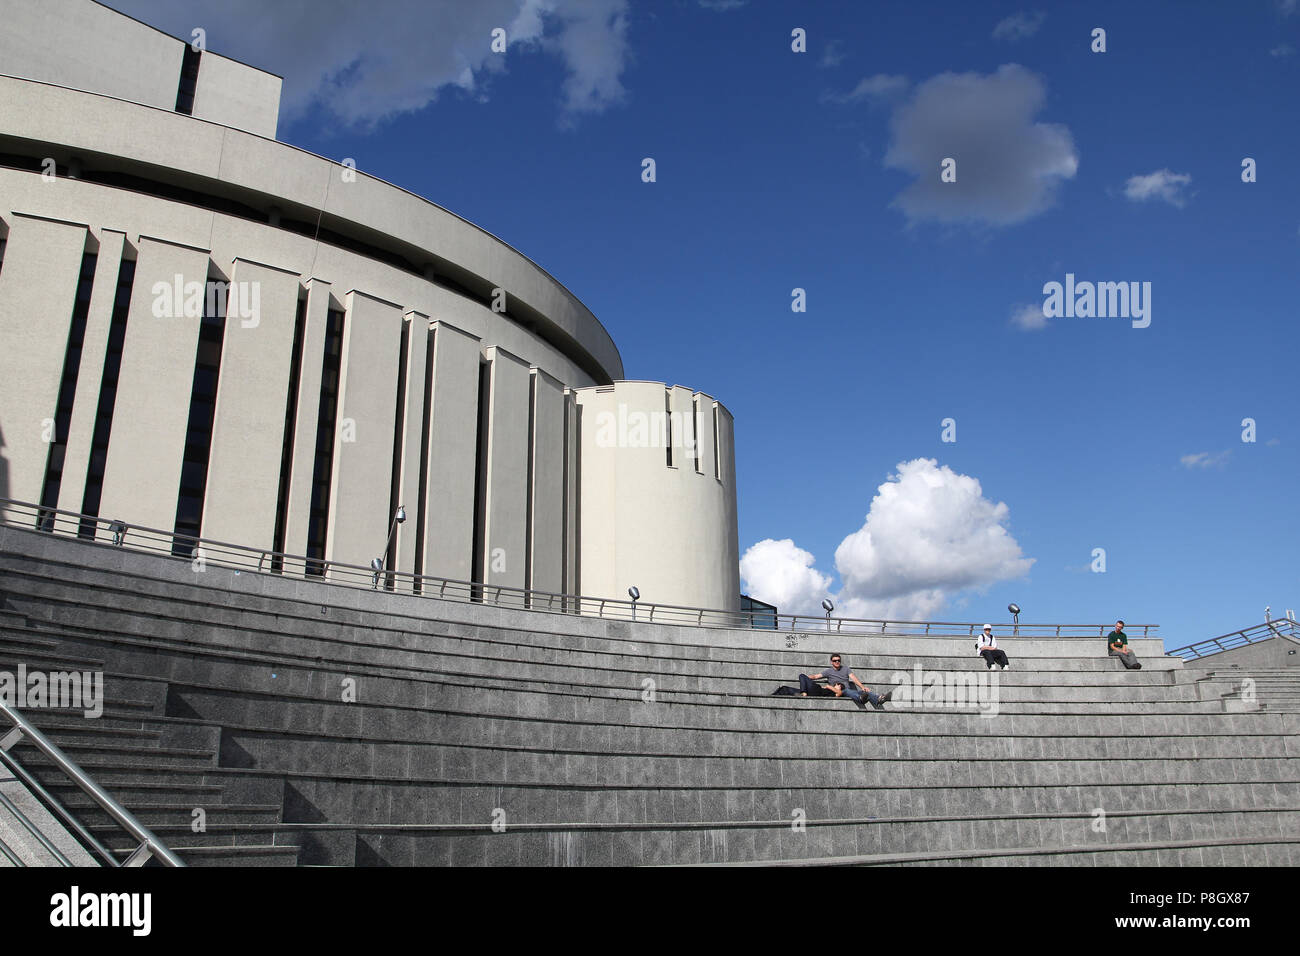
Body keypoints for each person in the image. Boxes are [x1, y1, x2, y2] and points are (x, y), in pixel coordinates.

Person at [802, 653, 893, 710]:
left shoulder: (846, 669)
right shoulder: (828, 671)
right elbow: (816, 676)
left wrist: (863, 687)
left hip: (849, 691)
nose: (837, 662)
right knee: (847, 691)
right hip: (839, 691)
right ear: (831, 662)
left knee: (864, 692)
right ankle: (861, 699)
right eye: (835, 660)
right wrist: (805, 677)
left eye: (839, 660)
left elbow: (853, 678)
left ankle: (879, 699)